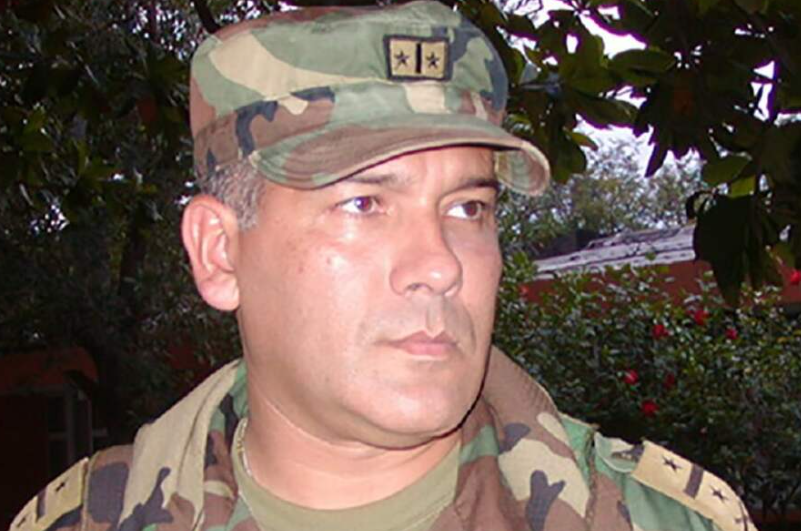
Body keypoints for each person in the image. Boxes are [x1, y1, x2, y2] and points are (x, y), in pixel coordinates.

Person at [11, 2, 755, 531]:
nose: (439, 266)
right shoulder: (89, 520)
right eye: (364, 203)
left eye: (468, 207)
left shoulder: (651, 519)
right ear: (219, 252)